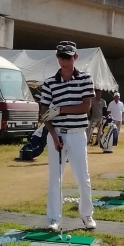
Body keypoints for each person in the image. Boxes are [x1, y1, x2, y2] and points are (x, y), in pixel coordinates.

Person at [40, 41, 96, 231]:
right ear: (57, 58)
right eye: (61, 57)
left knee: (83, 176)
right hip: (56, 135)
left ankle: (87, 215)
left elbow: (85, 107)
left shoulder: (85, 79)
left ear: (75, 57)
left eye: (68, 57)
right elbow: (44, 113)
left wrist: (61, 109)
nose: (64, 61)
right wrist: (54, 136)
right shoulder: (49, 83)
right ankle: (54, 218)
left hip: (77, 134)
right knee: (55, 178)